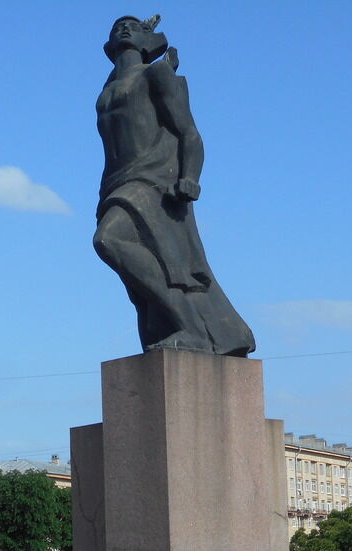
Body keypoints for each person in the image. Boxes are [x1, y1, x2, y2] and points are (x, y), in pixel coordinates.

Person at [93, 15, 256, 357]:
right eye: (117, 26)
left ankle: (192, 327)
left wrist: (191, 177)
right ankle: (179, 331)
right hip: (115, 182)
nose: (124, 28)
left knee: (109, 240)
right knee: (140, 280)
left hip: (153, 180)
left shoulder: (157, 74)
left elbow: (188, 132)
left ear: (147, 39)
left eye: (134, 26)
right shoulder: (106, 90)